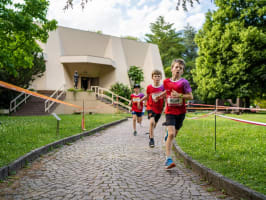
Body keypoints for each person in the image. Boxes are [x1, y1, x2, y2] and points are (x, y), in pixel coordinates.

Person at [156, 59, 193, 169]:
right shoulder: (166, 81)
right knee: (171, 134)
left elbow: (190, 96)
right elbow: (166, 91)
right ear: (172, 69)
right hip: (169, 112)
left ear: (182, 71)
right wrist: (160, 96)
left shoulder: (184, 82)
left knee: (173, 135)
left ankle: (168, 136)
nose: (178, 69)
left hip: (180, 113)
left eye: (180, 68)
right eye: (176, 67)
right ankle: (168, 159)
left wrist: (179, 95)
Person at [140, 70, 165, 148]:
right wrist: (140, 101)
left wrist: (166, 106)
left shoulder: (163, 87)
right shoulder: (149, 87)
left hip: (159, 108)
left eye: (158, 76)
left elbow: (165, 97)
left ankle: (150, 133)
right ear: (152, 77)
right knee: (151, 122)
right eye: (155, 76)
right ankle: (151, 139)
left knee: (154, 124)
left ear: (161, 77)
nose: (157, 78)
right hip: (150, 107)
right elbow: (147, 96)